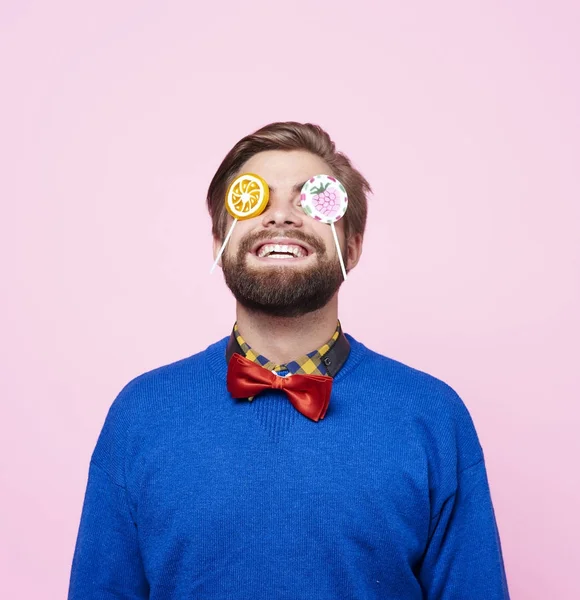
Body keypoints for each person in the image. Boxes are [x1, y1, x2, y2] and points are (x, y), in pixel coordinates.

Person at [68, 122, 510, 599]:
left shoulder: (432, 415)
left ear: (354, 247)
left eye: (313, 200)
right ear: (219, 244)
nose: (281, 218)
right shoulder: (142, 413)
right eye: (254, 199)